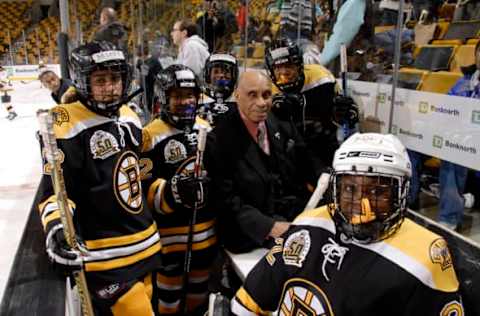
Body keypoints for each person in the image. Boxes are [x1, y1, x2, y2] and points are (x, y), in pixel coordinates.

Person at [232, 133, 465, 316]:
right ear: (336, 188)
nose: (360, 206)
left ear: (400, 193)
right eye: (350, 189)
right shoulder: (309, 224)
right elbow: (250, 301)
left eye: (377, 192)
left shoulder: (425, 255)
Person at [36, 41, 161, 315]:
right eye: (100, 80)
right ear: (82, 81)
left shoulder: (129, 116)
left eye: (115, 78)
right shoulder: (64, 122)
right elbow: (55, 190)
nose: (111, 87)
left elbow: (139, 178)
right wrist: (57, 228)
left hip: (147, 248)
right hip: (104, 259)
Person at [211, 70, 317, 254]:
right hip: (248, 236)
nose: (261, 103)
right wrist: (269, 227)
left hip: (293, 222)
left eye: (266, 95)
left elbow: (307, 162)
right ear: (237, 96)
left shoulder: (282, 125)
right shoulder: (219, 139)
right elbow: (226, 199)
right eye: (252, 95)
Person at [141, 64, 216, 315]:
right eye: (177, 96)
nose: (185, 102)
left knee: (198, 297)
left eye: (190, 95)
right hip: (169, 242)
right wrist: (173, 193)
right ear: (163, 98)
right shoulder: (150, 136)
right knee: (167, 301)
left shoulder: (206, 128)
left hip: (205, 236)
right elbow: (142, 191)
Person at [409, 41, 480, 230]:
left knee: (453, 150)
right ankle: (409, 199)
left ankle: (449, 219)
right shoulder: (465, 80)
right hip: (453, 133)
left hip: (472, 140)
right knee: (413, 143)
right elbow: (446, 108)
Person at [265, 38, 358, 172]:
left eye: (289, 65)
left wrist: (345, 116)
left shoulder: (322, 78)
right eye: (278, 68)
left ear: (300, 65)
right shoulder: (266, 90)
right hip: (287, 155)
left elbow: (341, 120)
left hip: (323, 148)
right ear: (270, 71)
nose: (284, 72)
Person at [199, 53, 238, 126]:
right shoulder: (198, 100)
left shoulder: (239, 100)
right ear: (208, 75)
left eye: (226, 72)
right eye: (216, 72)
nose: (221, 75)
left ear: (234, 76)